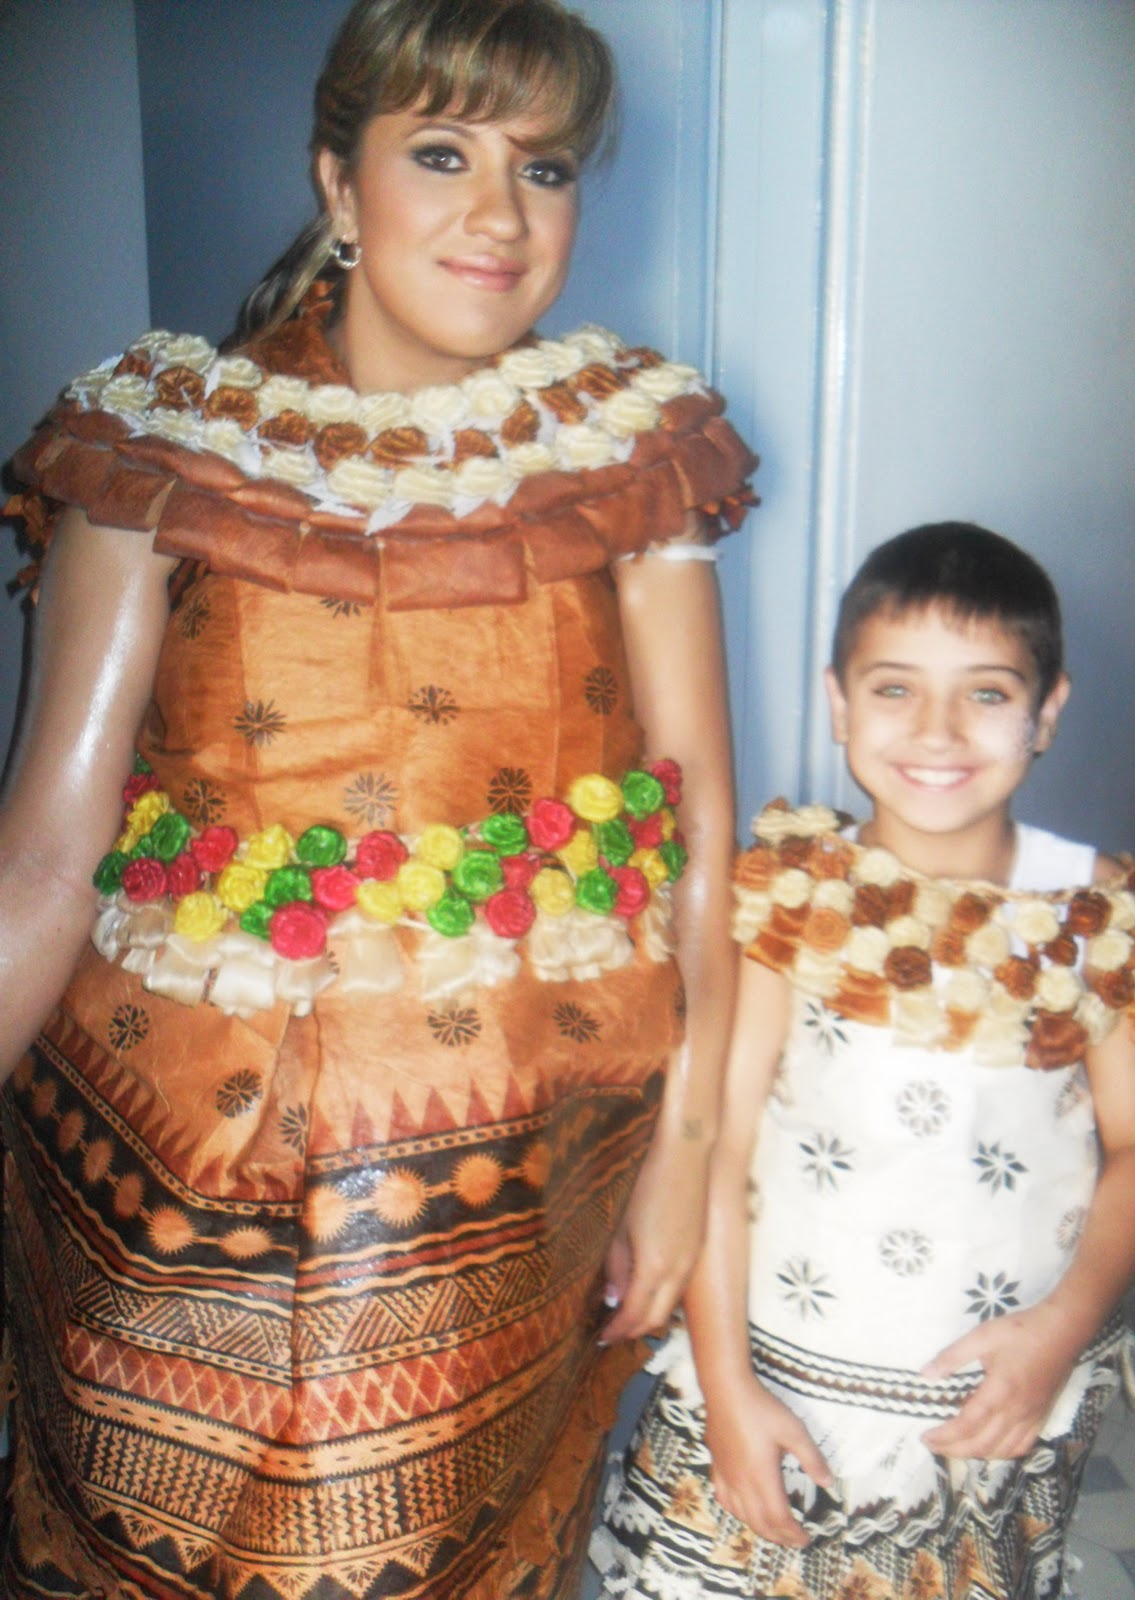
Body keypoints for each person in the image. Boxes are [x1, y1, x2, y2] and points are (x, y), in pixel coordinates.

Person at [0, 2, 756, 1594]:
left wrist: (687, 1161)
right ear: (337, 183)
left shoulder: (623, 454)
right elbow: (46, 861)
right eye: (441, 153)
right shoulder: (158, 450)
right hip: (173, 1183)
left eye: (543, 168)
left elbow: (699, 849)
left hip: (515, 1183)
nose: (499, 215)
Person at [593, 522, 1135, 1600]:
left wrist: (1064, 1330)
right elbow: (720, 1148)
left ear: (1048, 711)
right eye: (895, 689)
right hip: (785, 1376)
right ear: (838, 702)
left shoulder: (1101, 914)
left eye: (989, 694)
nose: (940, 730)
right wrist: (726, 1390)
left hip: (993, 1394)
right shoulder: (792, 893)